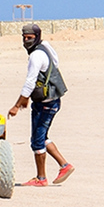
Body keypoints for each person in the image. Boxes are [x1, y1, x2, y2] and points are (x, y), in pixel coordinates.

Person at [8, 23, 74, 186]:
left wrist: (17, 104)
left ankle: (41, 178)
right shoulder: (46, 46)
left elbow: (30, 82)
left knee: (37, 141)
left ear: (36, 37)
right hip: (52, 101)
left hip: (45, 104)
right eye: (24, 38)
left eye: (29, 38)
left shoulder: (36, 55)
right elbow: (56, 64)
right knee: (42, 137)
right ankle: (64, 165)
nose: (26, 41)